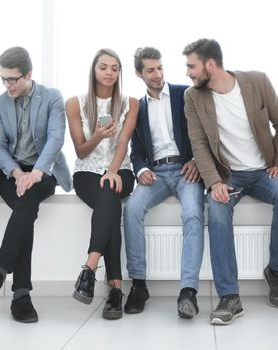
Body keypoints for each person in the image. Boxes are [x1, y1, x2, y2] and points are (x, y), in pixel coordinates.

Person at [183, 38, 278, 325]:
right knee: (218, 209)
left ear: (210, 65)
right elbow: (198, 144)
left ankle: (277, 272)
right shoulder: (193, 97)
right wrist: (214, 182)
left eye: (192, 66)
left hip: (263, 170)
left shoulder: (257, 82)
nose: (188, 73)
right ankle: (229, 296)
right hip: (227, 175)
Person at [0, 47, 72, 323]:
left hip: (44, 170)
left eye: (13, 80)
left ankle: (0, 273)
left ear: (28, 74)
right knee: (25, 209)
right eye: (3, 79)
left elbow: (55, 138)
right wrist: (17, 173)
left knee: (26, 205)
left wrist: (37, 171)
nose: (8, 86)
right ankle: (20, 296)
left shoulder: (52, 97)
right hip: (10, 172)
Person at [123, 47, 204, 319]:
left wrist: (196, 161)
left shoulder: (185, 94)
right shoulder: (137, 107)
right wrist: (141, 169)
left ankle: (188, 292)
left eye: (160, 68)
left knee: (193, 213)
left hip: (185, 169)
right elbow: (136, 151)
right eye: (150, 70)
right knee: (132, 209)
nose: (157, 74)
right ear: (139, 73)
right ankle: (138, 285)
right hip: (155, 172)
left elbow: (202, 132)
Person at [67, 48, 138, 320]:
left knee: (110, 189)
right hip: (86, 172)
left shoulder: (131, 103)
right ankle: (115, 291)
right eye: (104, 67)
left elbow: (123, 143)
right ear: (93, 70)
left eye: (115, 68)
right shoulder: (75, 103)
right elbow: (81, 151)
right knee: (111, 205)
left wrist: (112, 170)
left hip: (121, 170)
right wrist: (97, 135)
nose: (110, 72)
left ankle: (89, 268)